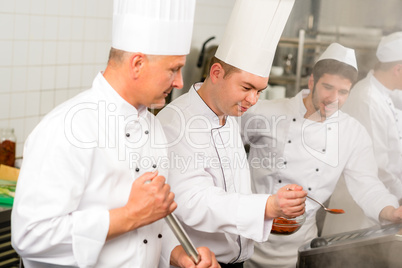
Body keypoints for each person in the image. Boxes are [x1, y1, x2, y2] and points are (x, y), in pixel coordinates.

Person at [11, 1, 219, 267]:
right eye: (173, 69)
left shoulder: (153, 127)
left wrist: (179, 254)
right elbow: (30, 236)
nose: (179, 81)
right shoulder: (67, 127)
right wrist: (129, 215)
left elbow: (153, 223)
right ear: (137, 64)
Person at [157, 0, 307, 267]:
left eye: (259, 91)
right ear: (217, 73)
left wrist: (266, 211)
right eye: (246, 87)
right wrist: (266, 207)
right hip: (197, 262)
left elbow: (231, 188)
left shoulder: (229, 114)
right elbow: (193, 200)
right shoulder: (177, 121)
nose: (253, 100)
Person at [241, 43, 402, 268]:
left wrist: (392, 211)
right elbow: (223, 148)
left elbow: (367, 185)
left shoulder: (352, 133)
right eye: (327, 87)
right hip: (249, 240)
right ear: (312, 82)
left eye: (343, 92)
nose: (333, 98)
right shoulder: (265, 113)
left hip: (300, 247)